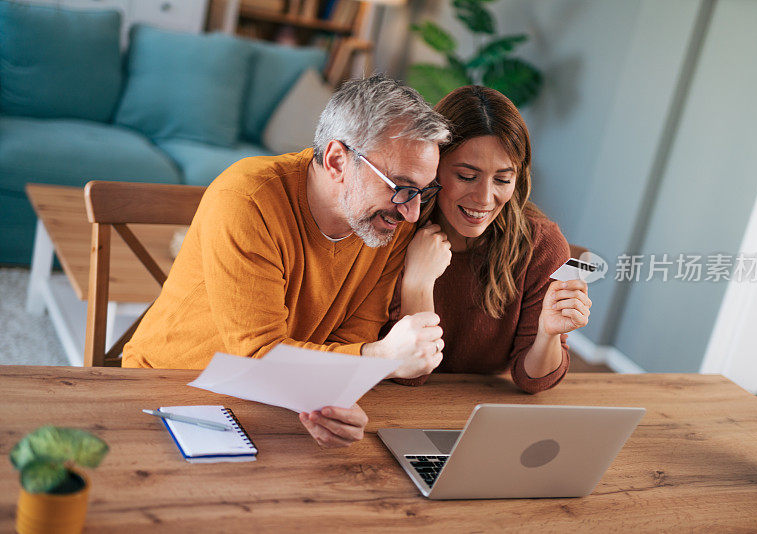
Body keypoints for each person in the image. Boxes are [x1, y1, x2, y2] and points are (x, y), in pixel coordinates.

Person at [122, 75, 451, 447]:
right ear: (337, 160)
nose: (412, 213)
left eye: (424, 192)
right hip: (167, 390)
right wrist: (379, 356)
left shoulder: (388, 224)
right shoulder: (248, 199)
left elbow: (350, 339)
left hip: (278, 400)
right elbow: (257, 355)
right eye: (401, 188)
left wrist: (333, 402)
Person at [385, 85, 591, 393]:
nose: (484, 198)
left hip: (479, 412)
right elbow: (406, 374)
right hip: (390, 405)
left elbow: (534, 380)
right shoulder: (392, 229)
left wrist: (548, 334)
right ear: (434, 167)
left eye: (503, 179)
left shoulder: (540, 245)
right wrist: (418, 283)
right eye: (467, 176)